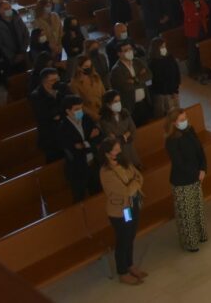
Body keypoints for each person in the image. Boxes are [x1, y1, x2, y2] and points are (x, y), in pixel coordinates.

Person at [98, 137, 147, 285]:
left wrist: (134, 183)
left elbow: (139, 176)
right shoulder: (106, 171)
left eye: (119, 149)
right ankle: (123, 272)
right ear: (107, 153)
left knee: (131, 235)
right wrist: (134, 184)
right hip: (122, 210)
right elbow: (124, 191)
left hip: (133, 204)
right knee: (123, 238)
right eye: (116, 150)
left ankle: (130, 265)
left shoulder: (124, 161)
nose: (119, 152)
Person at [165, 108, 209, 252]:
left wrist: (203, 169)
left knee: (198, 208)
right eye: (182, 120)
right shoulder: (171, 140)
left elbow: (200, 150)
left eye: (186, 118)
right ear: (174, 123)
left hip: (196, 176)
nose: (186, 122)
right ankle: (190, 242)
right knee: (187, 213)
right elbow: (179, 163)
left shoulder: (190, 130)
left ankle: (201, 235)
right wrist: (196, 173)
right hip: (183, 180)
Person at [58, 95, 101, 201]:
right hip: (78, 169)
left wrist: (84, 144)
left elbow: (99, 135)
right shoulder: (63, 128)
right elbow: (72, 149)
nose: (80, 111)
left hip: (93, 163)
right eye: (76, 109)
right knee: (80, 198)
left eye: (81, 108)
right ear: (68, 111)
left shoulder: (86, 119)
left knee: (97, 194)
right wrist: (89, 141)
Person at [29, 68, 70, 162]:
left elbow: (74, 104)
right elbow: (47, 116)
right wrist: (63, 113)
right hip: (51, 138)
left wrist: (61, 114)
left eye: (58, 80)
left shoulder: (62, 88)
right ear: (44, 82)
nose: (57, 83)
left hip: (66, 132)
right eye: (53, 80)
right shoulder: (36, 96)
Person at [111, 42, 153, 125]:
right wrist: (141, 78)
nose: (129, 51)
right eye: (126, 50)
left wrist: (135, 80)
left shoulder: (137, 61)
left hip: (144, 102)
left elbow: (149, 74)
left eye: (130, 49)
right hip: (131, 106)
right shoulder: (117, 70)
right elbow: (126, 87)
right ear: (119, 54)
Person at [99, 90, 141, 168]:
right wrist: (125, 135)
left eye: (119, 101)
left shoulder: (124, 112)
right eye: (115, 101)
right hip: (118, 152)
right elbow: (111, 138)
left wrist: (123, 136)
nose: (118, 103)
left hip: (130, 148)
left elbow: (133, 129)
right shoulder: (104, 120)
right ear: (108, 104)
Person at [0, 0, 30, 73]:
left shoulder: (18, 19)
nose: (8, 10)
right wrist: (13, 56)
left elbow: (26, 34)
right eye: (5, 9)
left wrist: (22, 51)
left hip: (22, 54)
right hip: (8, 59)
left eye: (9, 8)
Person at [149, 36, 181, 118]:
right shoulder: (153, 62)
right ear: (156, 49)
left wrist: (175, 89)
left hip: (173, 90)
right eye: (162, 47)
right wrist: (169, 91)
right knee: (162, 114)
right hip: (161, 93)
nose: (164, 48)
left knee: (176, 112)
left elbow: (176, 72)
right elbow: (157, 79)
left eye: (164, 46)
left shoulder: (170, 57)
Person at [182, 0, 209, 78]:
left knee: (201, 49)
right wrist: (199, 15)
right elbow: (190, 16)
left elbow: (206, 10)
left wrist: (199, 14)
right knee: (192, 50)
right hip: (192, 29)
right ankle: (192, 71)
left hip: (201, 26)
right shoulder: (186, 1)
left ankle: (201, 68)